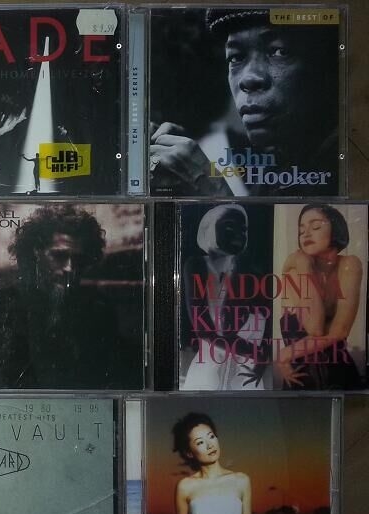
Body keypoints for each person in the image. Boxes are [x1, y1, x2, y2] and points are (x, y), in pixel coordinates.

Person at [150, 9, 339, 196]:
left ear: (329, 65)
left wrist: (214, 193)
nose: (248, 79)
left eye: (279, 51)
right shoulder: (278, 166)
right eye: (236, 57)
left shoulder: (345, 167)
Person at [0, 205, 136, 388]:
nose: (70, 268)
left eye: (79, 260)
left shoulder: (99, 312)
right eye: (59, 256)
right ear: (35, 253)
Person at [181, 204, 269, 390]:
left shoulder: (251, 274)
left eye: (243, 230)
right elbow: (205, 331)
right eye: (229, 226)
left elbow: (262, 325)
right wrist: (257, 354)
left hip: (245, 371)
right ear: (208, 229)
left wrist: (260, 357)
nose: (238, 234)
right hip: (210, 367)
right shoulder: (196, 265)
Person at [275, 205, 363, 389]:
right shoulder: (295, 267)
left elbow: (340, 331)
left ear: (335, 229)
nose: (306, 234)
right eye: (301, 231)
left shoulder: (350, 264)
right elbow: (314, 327)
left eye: (315, 226)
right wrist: (304, 265)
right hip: (303, 378)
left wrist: (286, 353)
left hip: (342, 375)